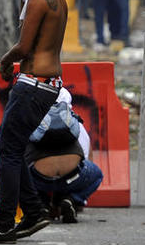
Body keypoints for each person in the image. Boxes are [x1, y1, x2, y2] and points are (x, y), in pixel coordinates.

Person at [0, 0, 67, 244]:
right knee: (11, 146)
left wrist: (4, 61)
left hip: (34, 82)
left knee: (9, 149)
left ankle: (5, 224)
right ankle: (33, 212)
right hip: (47, 82)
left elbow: (25, 47)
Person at [27, 88, 104, 223]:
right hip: (71, 177)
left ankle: (41, 205)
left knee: (24, 172)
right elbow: (85, 157)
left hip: (40, 180)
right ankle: (72, 199)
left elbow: (15, 158)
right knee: (97, 174)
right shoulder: (74, 122)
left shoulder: (30, 120)